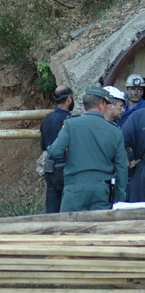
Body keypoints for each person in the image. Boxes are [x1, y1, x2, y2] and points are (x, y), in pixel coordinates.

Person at [47, 86, 128, 212]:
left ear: (85, 107)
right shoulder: (116, 132)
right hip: (102, 191)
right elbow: (122, 168)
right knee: (98, 228)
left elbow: (54, 152)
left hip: (74, 189)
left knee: (69, 229)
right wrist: (119, 198)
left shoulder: (70, 124)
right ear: (102, 106)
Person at [40, 85, 74, 213]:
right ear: (69, 99)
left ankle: (50, 231)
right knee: (67, 211)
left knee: (51, 209)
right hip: (65, 168)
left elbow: (43, 147)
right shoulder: (70, 120)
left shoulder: (46, 119)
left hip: (49, 169)